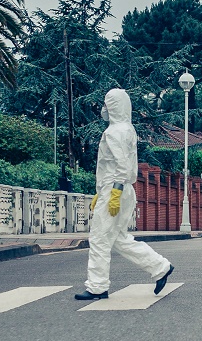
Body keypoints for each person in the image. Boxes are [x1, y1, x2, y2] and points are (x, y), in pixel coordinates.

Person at [74, 89, 174, 300]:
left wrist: (112, 193)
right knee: (119, 239)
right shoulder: (128, 129)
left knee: (100, 238)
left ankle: (97, 287)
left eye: (107, 105)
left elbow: (120, 164)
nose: (104, 110)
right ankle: (160, 267)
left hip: (115, 188)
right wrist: (102, 192)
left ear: (114, 107)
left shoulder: (113, 132)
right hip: (122, 189)